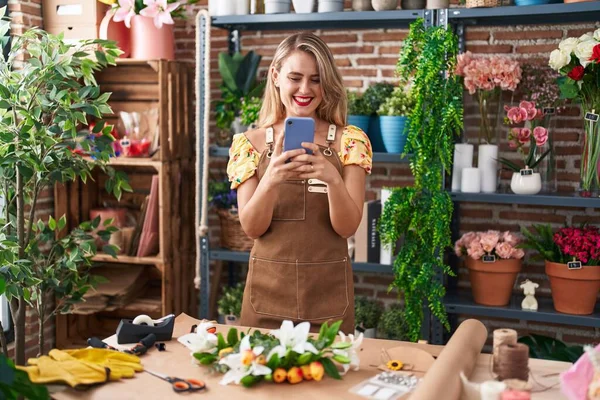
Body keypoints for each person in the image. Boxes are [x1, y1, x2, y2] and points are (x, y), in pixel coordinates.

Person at [226, 32, 372, 334]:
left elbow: (347, 228)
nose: (305, 89)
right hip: (264, 302)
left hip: (329, 302)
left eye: (316, 79)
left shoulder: (351, 141)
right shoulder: (248, 144)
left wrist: (332, 178)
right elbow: (252, 228)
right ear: (276, 77)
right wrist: (271, 179)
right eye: (295, 77)